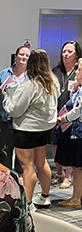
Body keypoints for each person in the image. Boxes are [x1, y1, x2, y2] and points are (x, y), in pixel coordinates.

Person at [3, 49, 59, 210]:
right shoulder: (53, 82)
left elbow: (14, 109)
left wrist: (7, 97)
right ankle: (45, 197)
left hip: (26, 130)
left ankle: (27, 204)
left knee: (27, 166)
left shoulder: (29, 86)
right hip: (44, 129)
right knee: (41, 163)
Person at [0, 46, 30, 171]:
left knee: (22, 154)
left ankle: (20, 179)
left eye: (27, 56)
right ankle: (5, 177)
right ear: (15, 56)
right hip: (5, 120)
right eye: (21, 54)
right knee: (4, 151)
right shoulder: (4, 74)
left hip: (24, 121)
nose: (24, 57)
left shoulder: (32, 77)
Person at [51, 41, 82, 189]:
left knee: (69, 145)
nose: (66, 54)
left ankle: (68, 176)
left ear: (76, 54)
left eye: (69, 52)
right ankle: (59, 172)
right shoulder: (56, 70)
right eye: (64, 51)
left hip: (71, 117)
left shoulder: (79, 72)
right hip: (56, 114)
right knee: (56, 143)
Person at [56, 58, 82, 208]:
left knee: (78, 169)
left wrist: (61, 119)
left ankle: (75, 199)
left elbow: (76, 112)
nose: (76, 72)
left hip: (79, 134)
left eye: (78, 70)